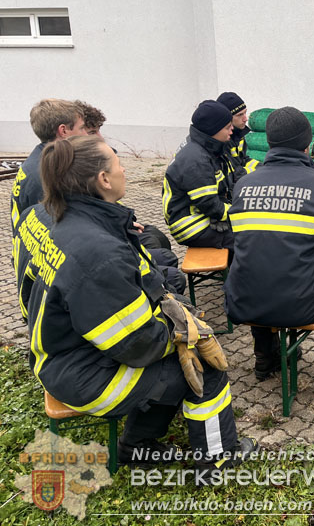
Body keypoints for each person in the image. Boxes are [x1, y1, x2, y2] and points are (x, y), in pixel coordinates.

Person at [27, 135, 256, 469]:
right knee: (203, 368)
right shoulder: (99, 253)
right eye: (118, 164)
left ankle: (136, 447)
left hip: (66, 356)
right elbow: (137, 344)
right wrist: (185, 335)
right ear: (103, 179)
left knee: (173, 362)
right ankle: (217, 460)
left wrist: (175, 310)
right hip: (82, 375)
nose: (124, 170)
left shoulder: (74, 222)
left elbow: (136, 291)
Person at [225, 107, 314, 386]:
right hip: (304, 305)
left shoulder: (243, 185)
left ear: (269, 142)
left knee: (259, 267)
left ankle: (264, 356)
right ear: (308, 143)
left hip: (243, 301)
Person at [74, 99, 186, 294]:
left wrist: (125, 222)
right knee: (169, 269)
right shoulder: (75, 173)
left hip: (117, 232)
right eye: (92, 132)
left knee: (157, 240)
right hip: (113, 252)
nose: (100, 137)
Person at [162, 100, 236, 249]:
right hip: (190, 225)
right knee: (247, 238)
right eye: (227, 127)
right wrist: (239, 214)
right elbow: (208, 203)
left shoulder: (205, 147)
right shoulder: (197, 158)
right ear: (213, 130)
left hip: (200, 215)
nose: (232, 130)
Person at [10, 99, 87, 230]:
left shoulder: (39, 159)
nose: (85, 134)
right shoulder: (48, 173)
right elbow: (58, 228)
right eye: (82, 128)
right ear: (63, 131)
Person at [217, 91, 259, 180]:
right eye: (240, 115)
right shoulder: (221, 140)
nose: (245, 119)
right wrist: (259, 172)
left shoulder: (239, 134)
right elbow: (234, 174)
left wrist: (263, 167)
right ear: (227, 118)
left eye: (245, 113)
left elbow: (243, 160)